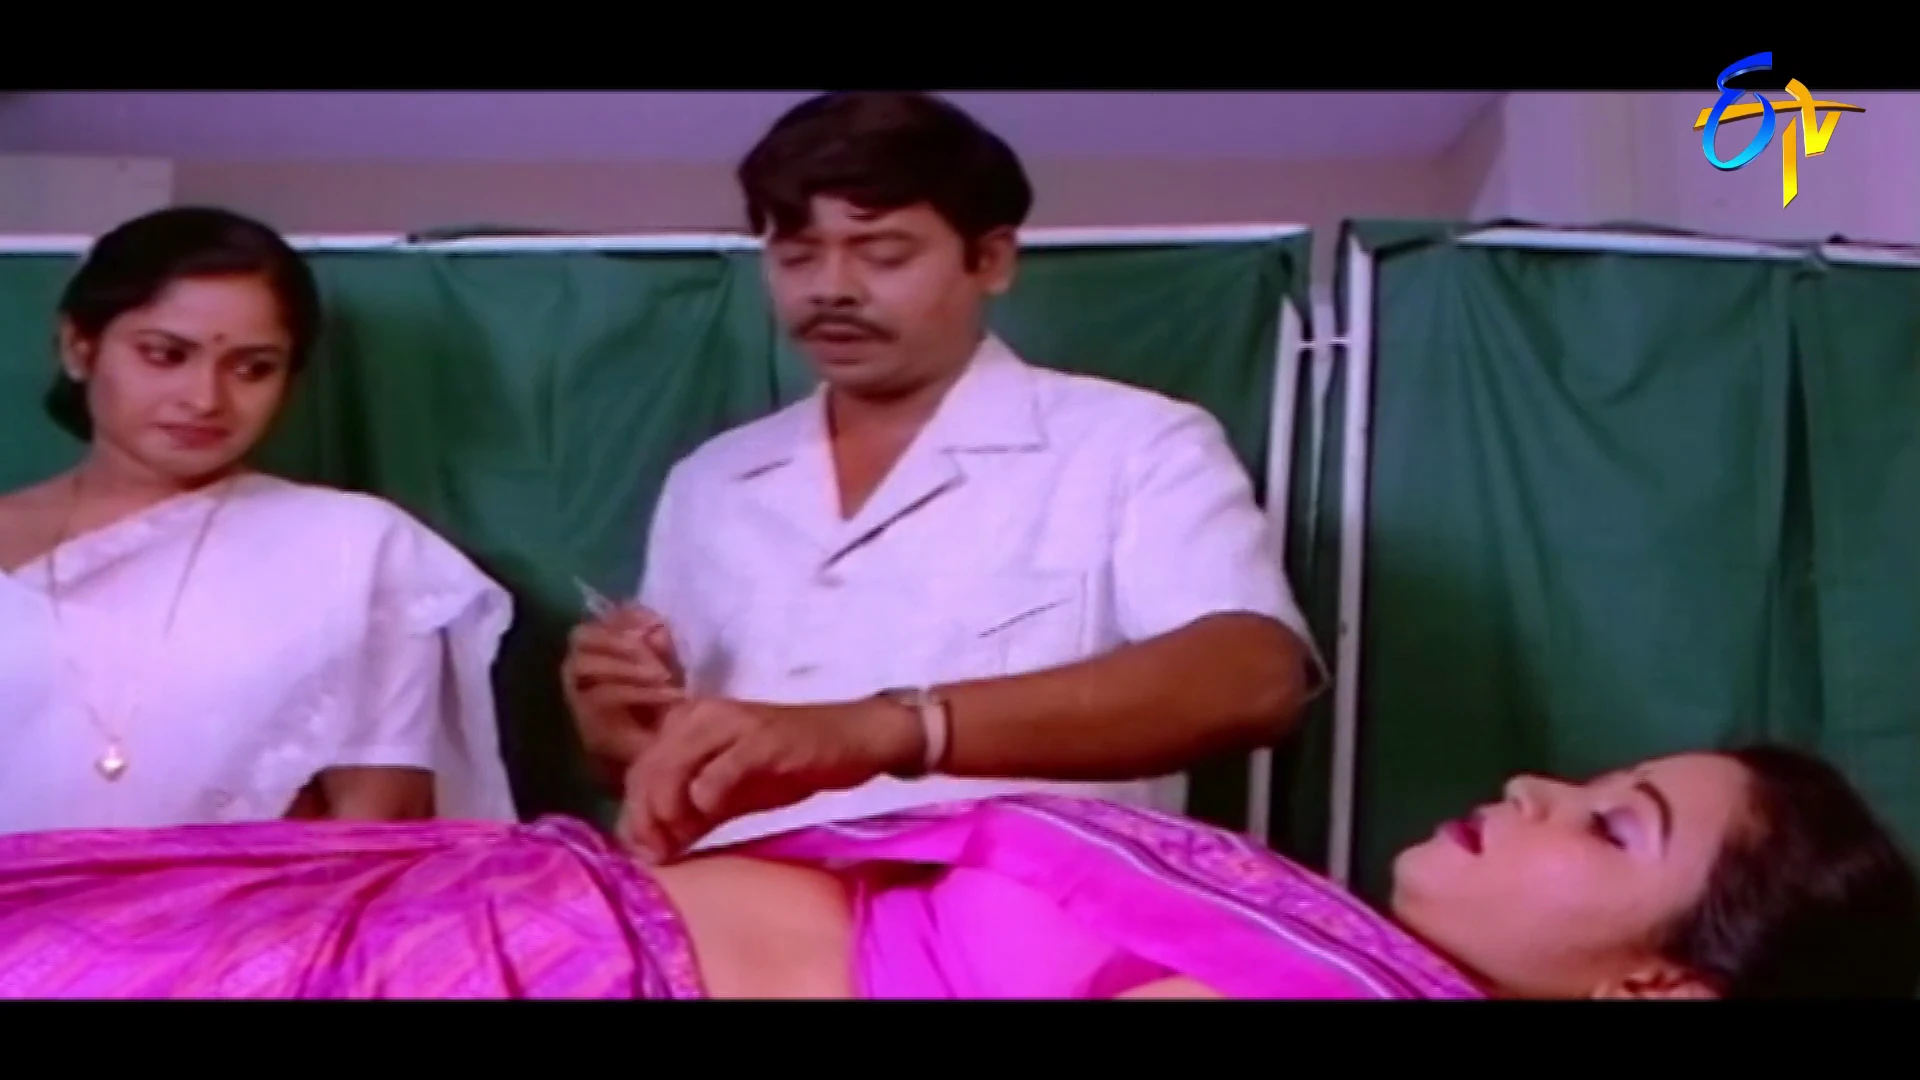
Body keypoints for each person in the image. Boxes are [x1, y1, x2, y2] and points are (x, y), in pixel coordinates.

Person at [564, 89, 1320, 861]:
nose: (831, 288)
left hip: (1016, 903)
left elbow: (1251, 678)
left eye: (884, 255)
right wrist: (624, 735)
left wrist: (892, 728)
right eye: (796, 256)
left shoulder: (1134, 443)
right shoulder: (711, 482)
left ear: (990, 260)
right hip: (738, 902)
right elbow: (666, 762)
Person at [0, 743, 1911, 999]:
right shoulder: (1318, 942)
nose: (1543, 786)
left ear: (1661, 985)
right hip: (496, 913)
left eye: (1615, 824)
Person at [0, 205, 518, 833]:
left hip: (255, 898)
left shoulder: (352, 548)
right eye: (165, 355)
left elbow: (375, 827)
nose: (204, 399)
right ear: (79, 348)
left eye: (253, 368)